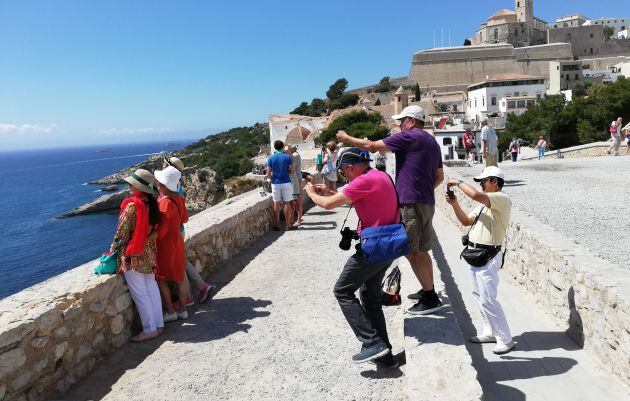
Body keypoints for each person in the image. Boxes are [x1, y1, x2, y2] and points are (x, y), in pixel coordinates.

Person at [337, 105, 445, 315]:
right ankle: (428, 290)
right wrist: (422, 191)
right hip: (426, 201)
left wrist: (346, 137)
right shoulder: (431, 141)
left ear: (412, 121)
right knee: (421, 250)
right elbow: (439, 176)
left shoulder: (409, 136)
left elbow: (371, 146)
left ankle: (430, 298)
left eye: (401, 121)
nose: (399, 125)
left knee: (411, 250)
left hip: (411, 203)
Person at [304, 148, 400, 366]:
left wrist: (310, 193)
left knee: (342, 290)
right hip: (390, 243)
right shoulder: (380, 175)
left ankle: (371, 342)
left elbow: (328, 206)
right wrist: (328, 191)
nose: (343, 176)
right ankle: (385, 355)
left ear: (350, 167)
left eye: (343, 172)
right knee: (369, 295)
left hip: (374, 246)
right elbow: (351, 197)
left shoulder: (362, 181)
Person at [445, 166, 514, 355]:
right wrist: (454, 205)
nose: (482, 184)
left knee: (488, 299)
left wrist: (457, 183)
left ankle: (505, 339)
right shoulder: (485, 204)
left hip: (488, 255)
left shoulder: (501, 199)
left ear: (494, 181)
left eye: (484, 181)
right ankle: (490, 331)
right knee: (479, 296)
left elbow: (474, 194)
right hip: (477, 255)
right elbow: (467, 221)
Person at [111, 169, 163, 342]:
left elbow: (122, 232)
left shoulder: (133, 206)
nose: (129, 187)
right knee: (151, 287)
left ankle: (150, 329)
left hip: (133, 255)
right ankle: (158, 324)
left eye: (132, 184)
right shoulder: (151, 203)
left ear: (140, 187)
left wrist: (113, 249)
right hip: (148, 252)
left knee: (140, 293)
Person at [162, 156, 214, 305]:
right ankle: (197, 290)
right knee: (181, 262)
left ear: (170, 167)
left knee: (180, 263)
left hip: (174, 230)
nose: (162, 164)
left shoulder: (173, 188)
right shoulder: (177, 185)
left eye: (164, 163)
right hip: (179, 229)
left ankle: (191, 295)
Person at [154, 166, 190, 322]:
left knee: (161, 279)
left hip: (166, 245)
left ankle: (170, 311)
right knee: (180, 277)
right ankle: (183, 310)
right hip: (177, 241)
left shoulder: (164, 203)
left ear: (162, 184)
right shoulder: (178, 198)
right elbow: (185, 219)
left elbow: (161, 230)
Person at [267, 140, 295, 231]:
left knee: (276, 202)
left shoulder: (271, 158)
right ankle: (288, 225)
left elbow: (268, 172)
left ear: (275, 147)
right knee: (287, 203)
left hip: (275, 182)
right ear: (283, 147)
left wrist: (269, 180)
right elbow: (291, 170)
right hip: (286, 181)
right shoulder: (287, 157)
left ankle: (277, 224)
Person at [287, 144, 304, 227]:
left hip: (295, 178)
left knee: (297, 199)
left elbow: (292, 169)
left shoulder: (294, 156)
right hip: (295, 178)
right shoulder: (293, 155)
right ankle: (293, 219)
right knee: (293, 200)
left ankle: (298, 219)